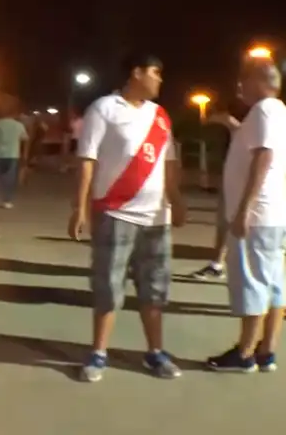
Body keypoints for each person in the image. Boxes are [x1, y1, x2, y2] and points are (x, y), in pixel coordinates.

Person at [67, 52, 187, 383]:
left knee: (154, 288)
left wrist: (176, 200)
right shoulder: (104, 109)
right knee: (109, 285)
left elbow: (169, 163)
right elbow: (87, 160)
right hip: (115, 212)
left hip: (156, 218)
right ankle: (98, 352)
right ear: (136, 73)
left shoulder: (161, 116)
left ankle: (155, 352)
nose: (160, 79)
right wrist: (79, 207)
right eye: (155, 72)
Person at [206, 60, 286, 372]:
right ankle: (267, 351)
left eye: (243, 79)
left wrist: (244, 208)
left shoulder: (265, 110)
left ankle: (244, 353)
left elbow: (264, 157)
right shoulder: (276, 111)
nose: (239, 86)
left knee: (253, 282)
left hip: (257, 215)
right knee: (274, 283)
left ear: (259, 80)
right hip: (273, 214)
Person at [190, 97, 250, 280]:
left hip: (248, 185)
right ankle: (217, 264)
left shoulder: (264, 120)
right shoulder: (245, 126)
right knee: (224, 223)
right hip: (234, 182)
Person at [0, 105, 29, 208]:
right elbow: (25, 139)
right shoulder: (19, 125)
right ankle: (7, 201)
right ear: (14, 114)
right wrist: (25, 154)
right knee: (10, 178)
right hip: (13, 154)